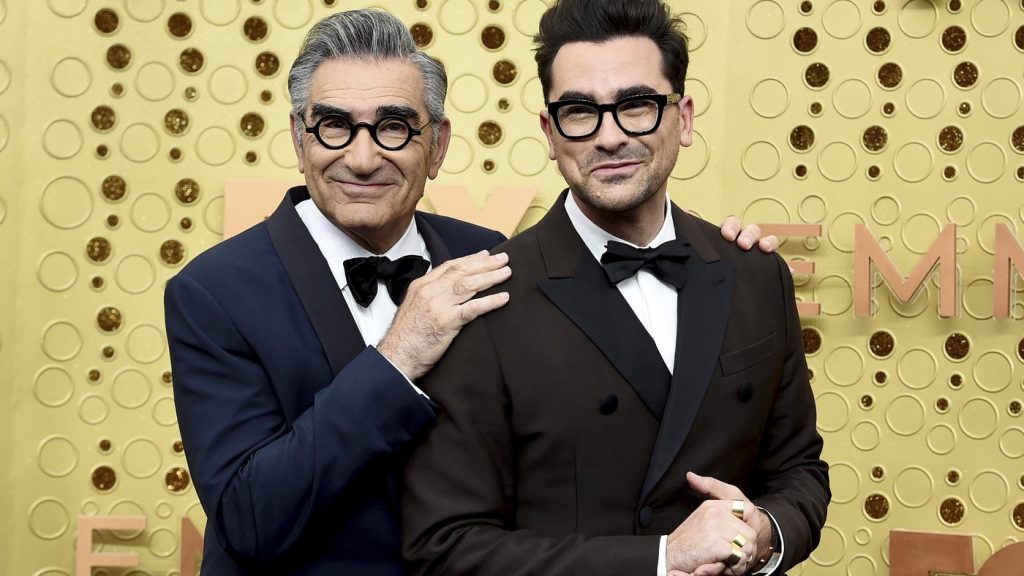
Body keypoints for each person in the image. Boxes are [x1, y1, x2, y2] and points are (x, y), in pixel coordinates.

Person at [165, 7, 776, 576]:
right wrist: (397, 358)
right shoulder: (213, 292)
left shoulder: (488, 255)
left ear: (437, 147)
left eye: (394, 127)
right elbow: (247, 520)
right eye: (333, 127)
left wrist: (718, 257)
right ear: (299, 140)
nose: (362, 156)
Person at [401, 1, 829, 575]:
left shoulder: (756, 273)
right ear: (550, 133)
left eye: (636, 105)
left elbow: (799, 471)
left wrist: (765, 533)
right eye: (580, 112)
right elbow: (447, 546)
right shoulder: (485, 300)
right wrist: (659, 559)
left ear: (685, 118)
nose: (609, 137)